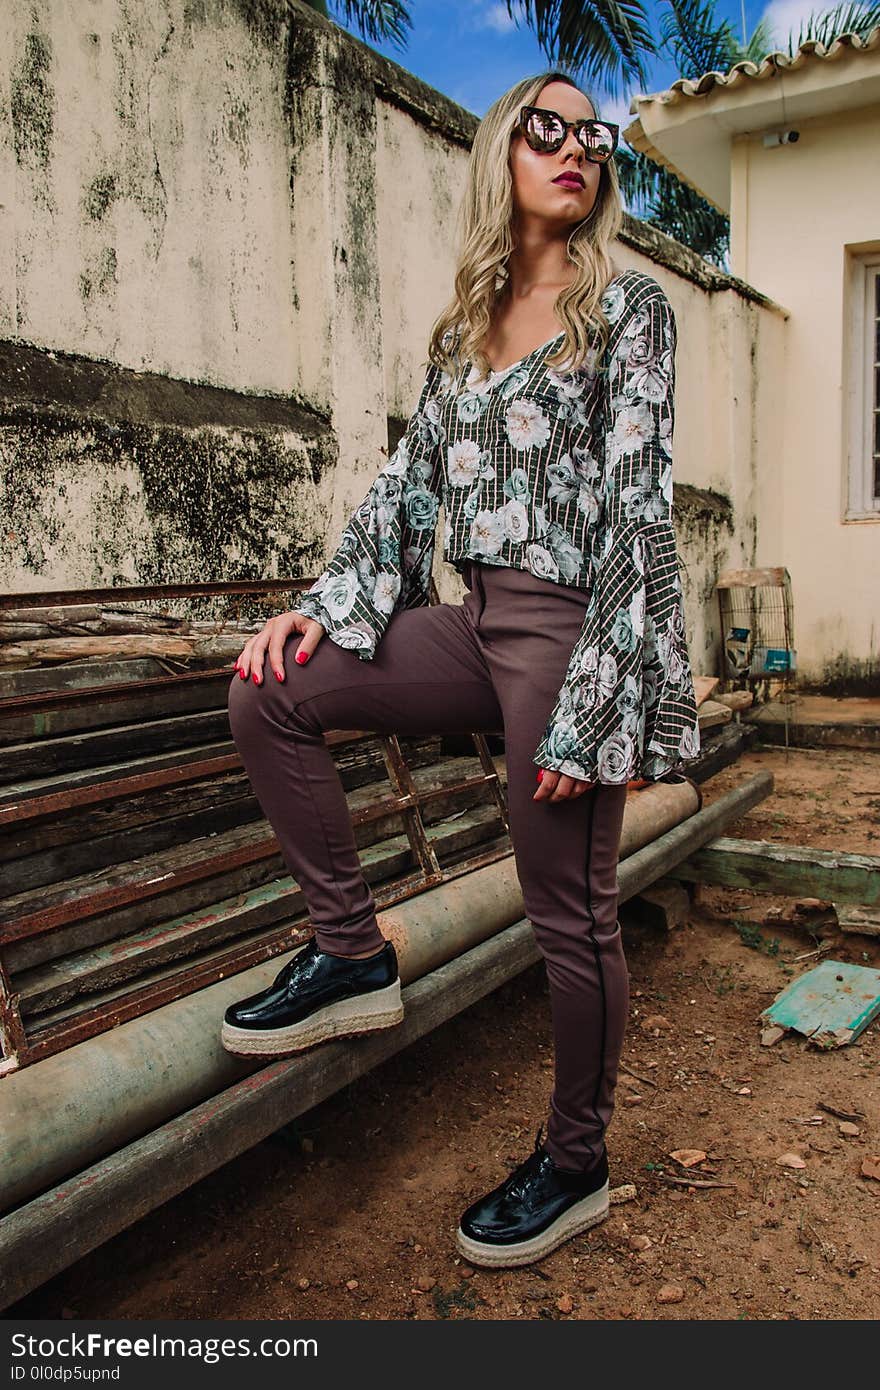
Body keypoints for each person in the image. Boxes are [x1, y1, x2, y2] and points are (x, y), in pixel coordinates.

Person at [222, 69, 701, 1270]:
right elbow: (403, 496)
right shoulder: (461, 328)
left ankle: (575, 1160)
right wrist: (318, 611)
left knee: (566, 912)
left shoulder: (630, 310)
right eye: (547, 127)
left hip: (565, 629)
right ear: (503, 149)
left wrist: (597, 696)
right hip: (465, 615)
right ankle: (350, 951)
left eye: (591, 135)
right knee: (268, 691)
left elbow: (638, 507)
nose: (573, 148)